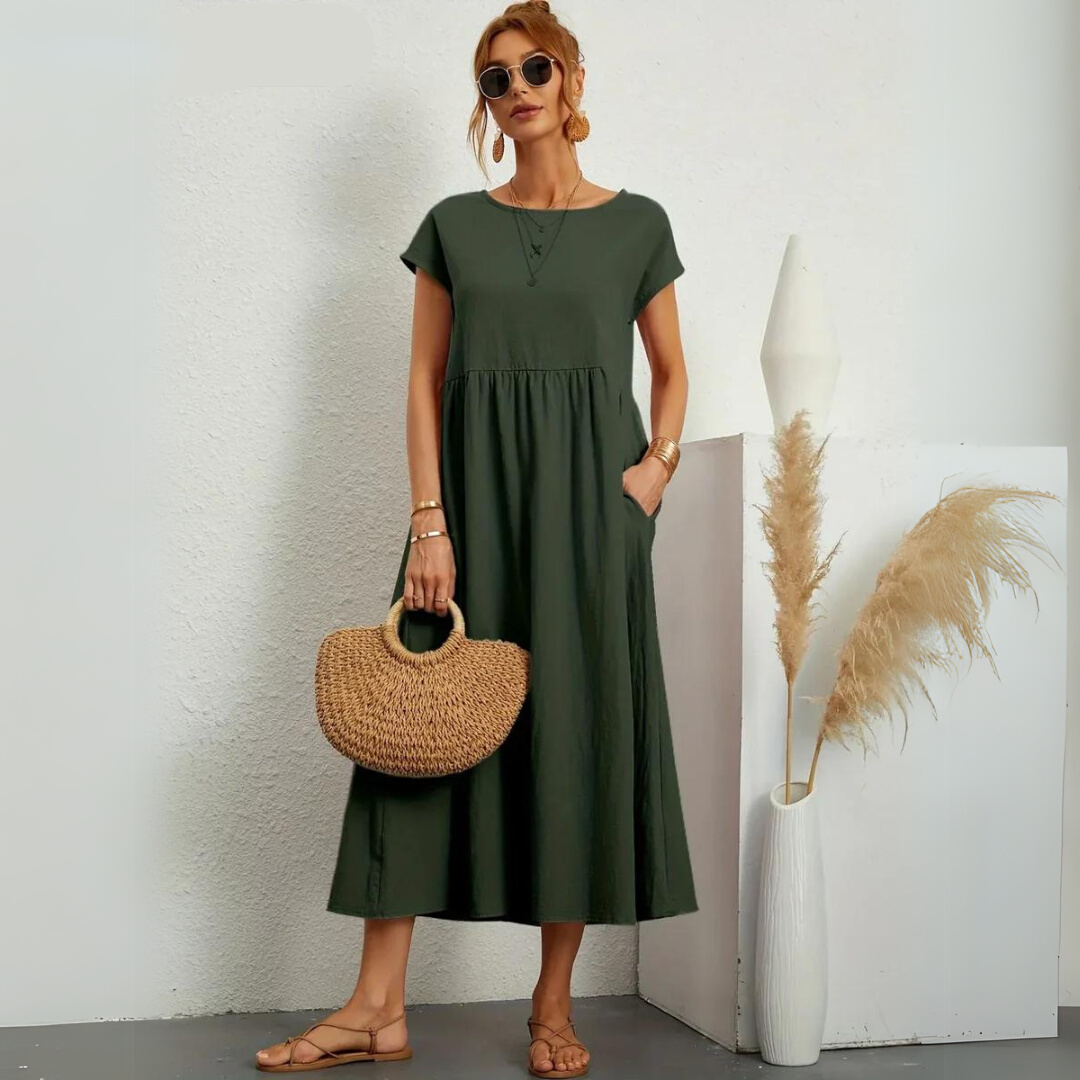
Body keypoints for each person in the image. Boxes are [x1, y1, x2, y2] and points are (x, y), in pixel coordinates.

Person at [255, 2, 697, 1074]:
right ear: (486, 106)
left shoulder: (639, 224)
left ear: (572, 78)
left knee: (577, 734)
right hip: (469, 511)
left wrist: (652, 475)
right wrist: (428, 522)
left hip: (591, 520)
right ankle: (376, 1007)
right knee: (411, 724)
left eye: (535, 68)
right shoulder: (455, 225)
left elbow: (672, 371)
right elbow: (422, 379)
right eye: (496, 79)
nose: (518, 90)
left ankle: (553, 1005)